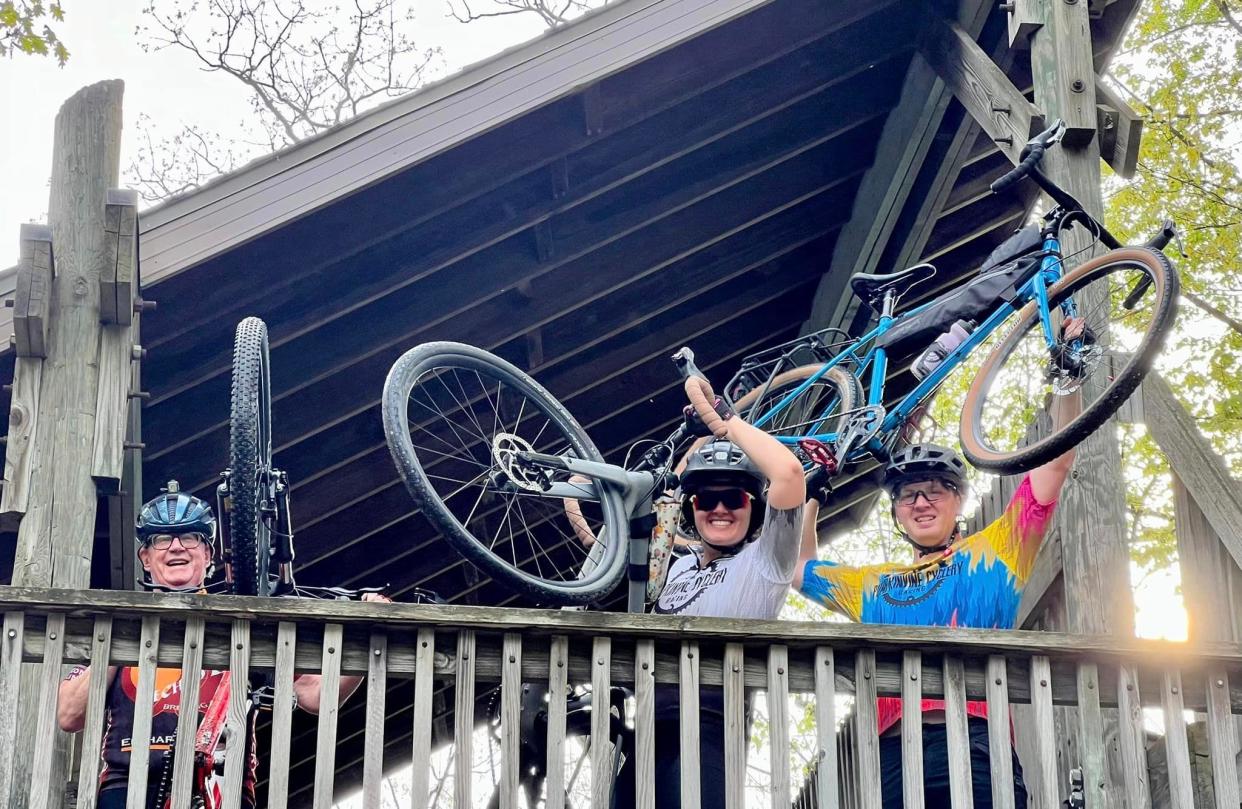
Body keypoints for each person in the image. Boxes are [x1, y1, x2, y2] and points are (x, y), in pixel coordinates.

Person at [794, 320, 1086, 809]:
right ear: (897, 514)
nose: (922, 502)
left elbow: (1056, 462)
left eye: (936, 490)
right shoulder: (874, 583)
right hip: (893, 749)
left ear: (957, 503)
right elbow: (799, 568)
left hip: (977, 737)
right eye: (909, 495)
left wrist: (1068, 379)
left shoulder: (997, 549)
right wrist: (811, 490)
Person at [57, 482, 391, 809]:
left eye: (190, 537)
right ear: (145, 557)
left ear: (208, 554)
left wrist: (367, 640)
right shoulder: (122, 627)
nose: (176, 547)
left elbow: (318, 695)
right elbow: (69, 714)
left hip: (221, 787)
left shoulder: (241, 627)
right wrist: (122, 638)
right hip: (127, 786)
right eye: (161, 540)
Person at [611, 378, 805, 807]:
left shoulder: (766, 560)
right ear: (691, 508)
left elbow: (789, 474)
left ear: (754, 505)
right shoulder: (675, 566)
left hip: (712, 724)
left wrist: (725, 422)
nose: (719, 508)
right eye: (705, 499)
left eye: (733, 497)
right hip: (645, 730)